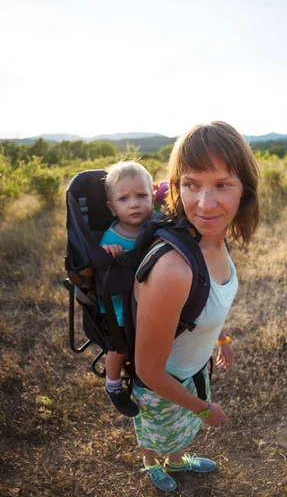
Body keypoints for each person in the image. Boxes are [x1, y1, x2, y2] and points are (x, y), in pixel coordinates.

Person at [132, 121, 260, 491]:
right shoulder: (174, 269)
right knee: (156, 433)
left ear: (245, 191)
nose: (204, 205)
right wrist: (203, 408)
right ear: (176, 187)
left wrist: (220, 339)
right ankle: (153, 466)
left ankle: (175, 461)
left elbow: (205, 304)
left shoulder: (214, 239)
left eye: (221, 185)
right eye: (191, 185)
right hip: (161, 385)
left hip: (191, 370)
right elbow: (150, 371)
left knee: (178, 432)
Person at [100, 161, 155, 416]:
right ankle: (112, 385)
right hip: (119, 305)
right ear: (112, 208)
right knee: (118, 347)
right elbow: (99, 266)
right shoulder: (111, 238)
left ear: (153, 197)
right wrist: (108, 254)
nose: (134, 203)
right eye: (124, 198)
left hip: (148, 297)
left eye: (142, 195)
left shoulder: (154, 225)